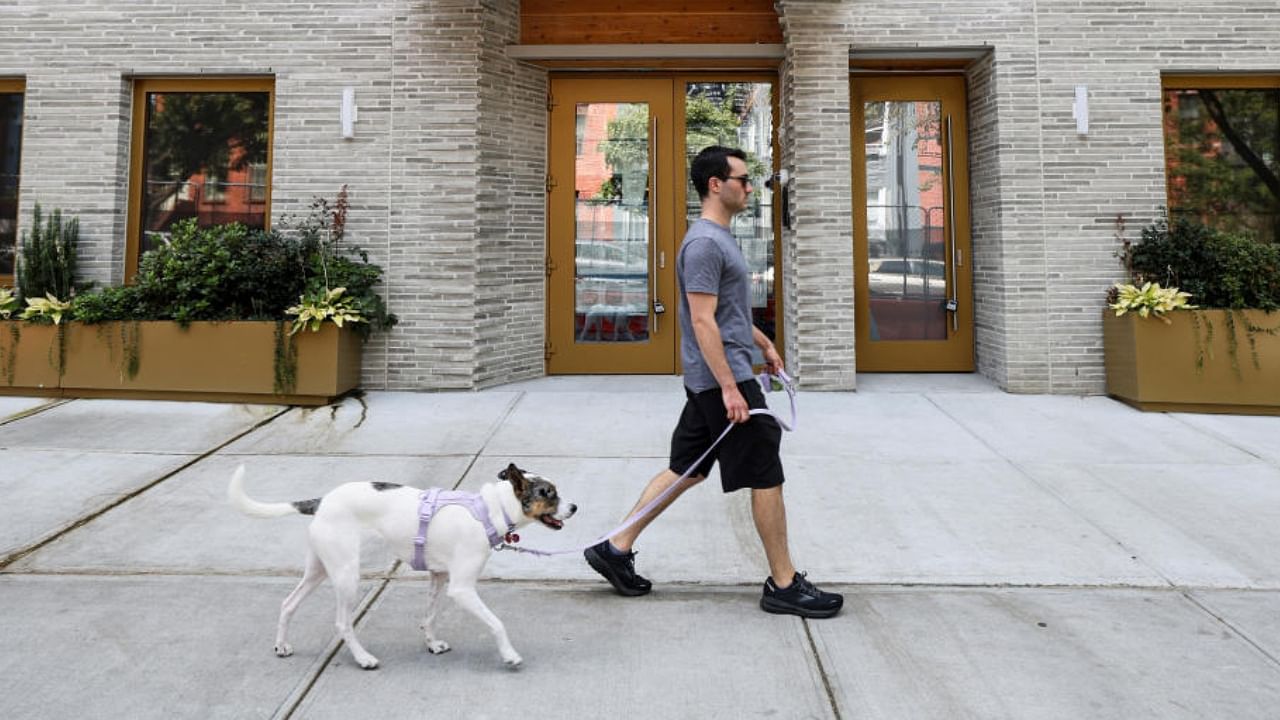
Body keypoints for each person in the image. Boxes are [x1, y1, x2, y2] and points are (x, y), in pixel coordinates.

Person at [583, 146, 843, 618]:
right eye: (743, 179)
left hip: (724, 372)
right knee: (765, 473)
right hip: (723, 379)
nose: (750, 188)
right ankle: (783, 584)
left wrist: (762, 342)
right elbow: (702, 322)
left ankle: (614, 547)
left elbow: (728, 314)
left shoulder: (719, 239)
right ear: (715, 185)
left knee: (688, 466)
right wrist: (729, 387)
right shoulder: (704, 244)